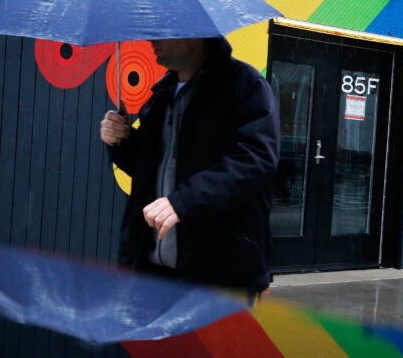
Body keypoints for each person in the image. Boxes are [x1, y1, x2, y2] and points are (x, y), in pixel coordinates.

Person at [100, 36, 280, 301]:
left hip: (219, 277)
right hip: (151, 272)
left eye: (166, 30)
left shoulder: (245, 86)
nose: (153, 39)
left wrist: (183, 200)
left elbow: (255, 160)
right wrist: (121, 140)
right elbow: (147, 169)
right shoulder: (162, 94)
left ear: (196, 34)